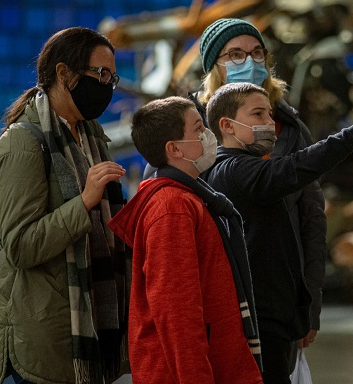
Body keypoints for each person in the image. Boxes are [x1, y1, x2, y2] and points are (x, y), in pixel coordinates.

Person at [205, 83, 353, 384]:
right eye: (258, 114)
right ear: (227, 125)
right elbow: (301, 165)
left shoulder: (237, 171)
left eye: (270, 114)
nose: (269, 123)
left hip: (272, 322)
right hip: (261, 323)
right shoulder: (234, 171)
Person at [0, 27, 129, 384]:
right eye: (101, 75)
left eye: (113, 76)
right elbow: (19, 246)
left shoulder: (91, 137)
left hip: (85, 327)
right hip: (44, 336)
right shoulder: (22, 145)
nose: (108, 86)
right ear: (64, 74)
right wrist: (84, 203)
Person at [195, 18, 328, 373]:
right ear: (214, 67)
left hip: (276, 301)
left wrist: (309, 304)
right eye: (235, 54)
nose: (249, 62)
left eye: (256, 53)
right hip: (216, 298)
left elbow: (311, 220)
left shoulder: (288, 126)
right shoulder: (186, 123)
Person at [108, 96, 263, 384]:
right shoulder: (172, 207)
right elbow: (177, 312)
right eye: (198, 129)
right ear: (174, 148)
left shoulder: (189, 198)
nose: (208, 136)